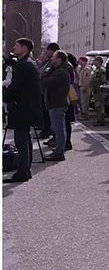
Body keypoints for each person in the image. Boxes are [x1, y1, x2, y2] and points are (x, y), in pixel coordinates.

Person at [3, 38, 42, 183]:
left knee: (21, 140)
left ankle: (22, 172)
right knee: (25, 139)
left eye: (17, 45)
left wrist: (5, 96)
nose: (14, 47)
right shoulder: (29, 63)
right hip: (28, 107)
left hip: (22, 107)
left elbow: (15, 86)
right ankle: (26, 169)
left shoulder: (23, 65)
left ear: (24, 48)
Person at [42, 50, 72, 161]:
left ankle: (59, 152)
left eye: (54, 57)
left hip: (57, 103)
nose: (51, 59)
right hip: (56, 103)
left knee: (58, 129)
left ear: (59, 59)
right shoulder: (59, 71)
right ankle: (59, 150)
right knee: (57, 128)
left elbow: (46, 82)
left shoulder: (60, 72)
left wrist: (46, 72)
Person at [90, 56, 107, 126]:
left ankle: (101, 120)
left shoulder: (101, 70)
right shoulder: (96, 70)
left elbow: (102, 80)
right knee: (97, 106)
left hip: (99, 90)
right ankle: (99, 120)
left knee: (99, 106)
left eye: (95, 61)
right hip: (96, 90)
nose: (93, 62)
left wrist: (95, 82)